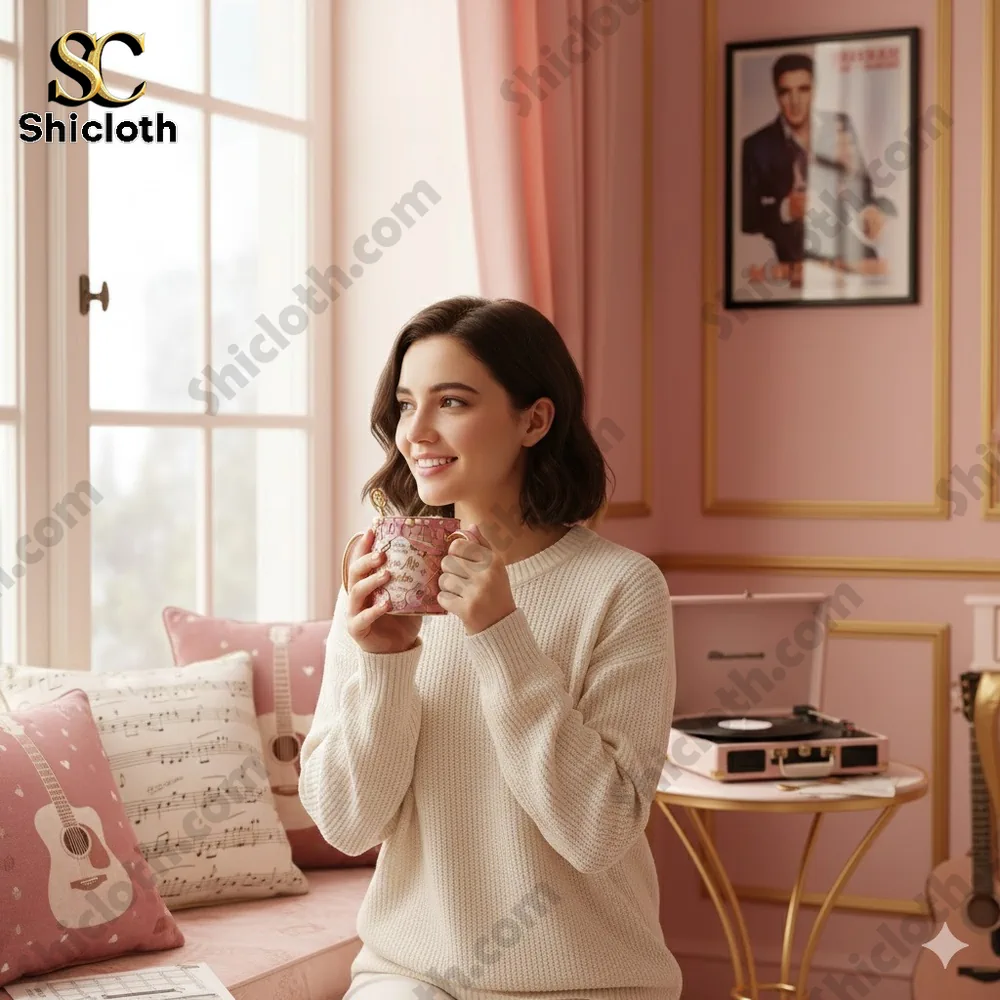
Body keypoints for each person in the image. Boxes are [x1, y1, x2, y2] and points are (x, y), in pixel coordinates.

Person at [298, 297, 681, 1000]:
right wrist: (382, 666)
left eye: (452, 402)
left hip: (589, 984)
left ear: (534, 420)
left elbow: (597, 833)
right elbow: (348, 826)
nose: (416, 432)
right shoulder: (381, 575)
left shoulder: (622, 588)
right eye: (406, 404)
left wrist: (503, 637)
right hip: (409, 977)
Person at [740, 51, 895, 276]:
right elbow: (746, 217)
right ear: (776, 94)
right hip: (792, 257)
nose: (795, 102)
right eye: (786, 92)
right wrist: (785, 209)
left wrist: (869, 209)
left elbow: (863, 188)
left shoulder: (840, 124)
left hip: (848, 249)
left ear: (816, 90)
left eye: (804, 89)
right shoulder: (755, 146)